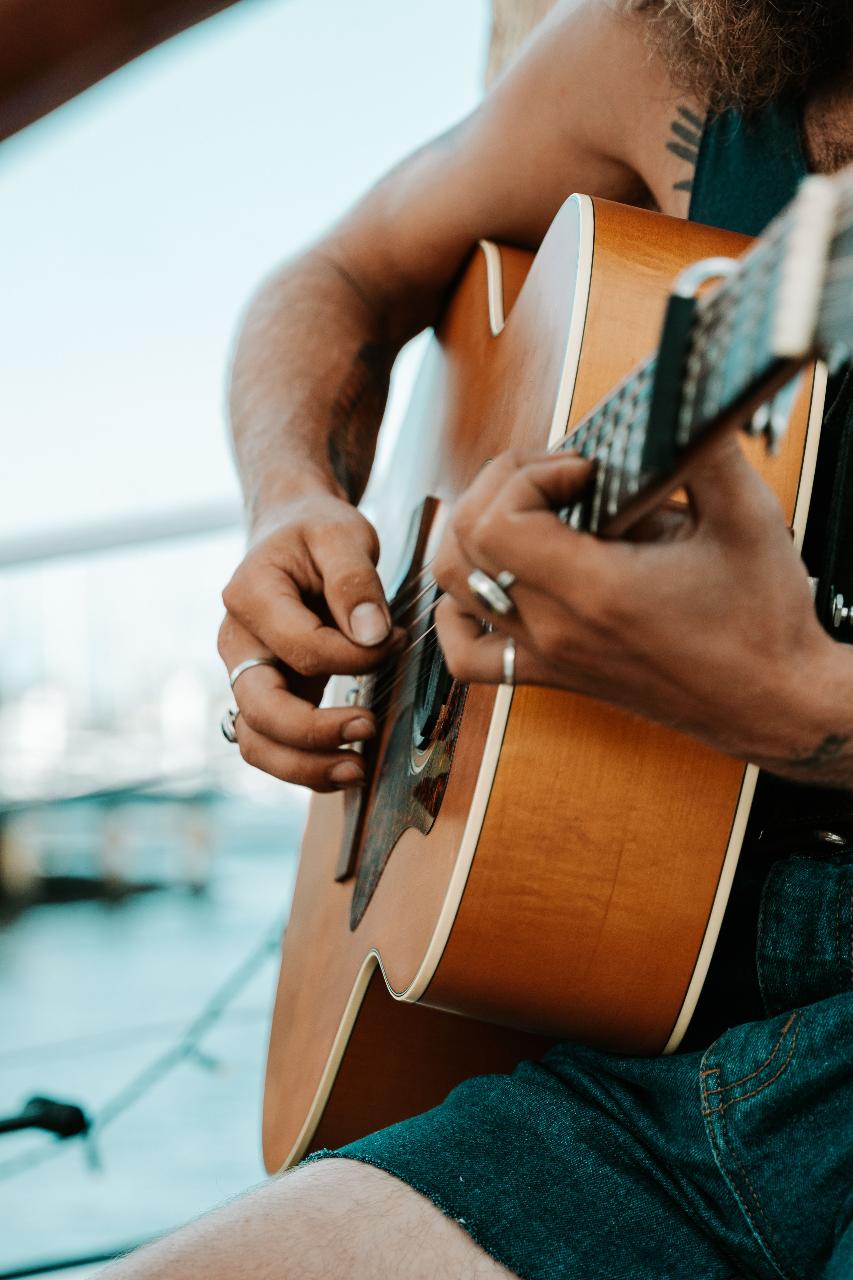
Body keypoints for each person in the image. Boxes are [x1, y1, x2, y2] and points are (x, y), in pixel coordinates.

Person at [112, 1, 853, 1276]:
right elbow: (334, 274)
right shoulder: (666, 50)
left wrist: (804, 711)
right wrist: (292, 494)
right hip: (643, 1060)